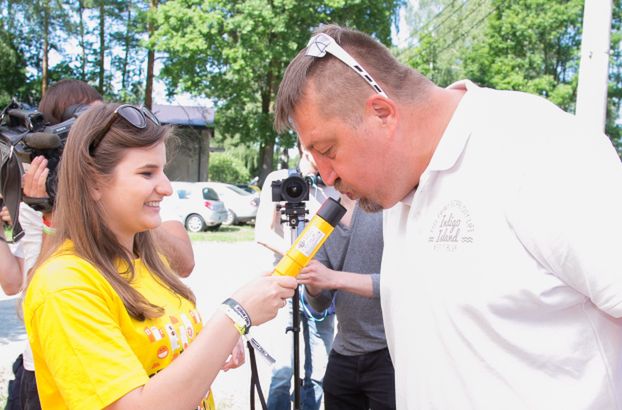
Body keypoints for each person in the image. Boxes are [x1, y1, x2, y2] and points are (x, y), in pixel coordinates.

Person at [274, 24, 622, 409]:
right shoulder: (399, 189)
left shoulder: (538, 148)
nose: (326, 177)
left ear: (382, 113)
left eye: (328, 149)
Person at [22, 102, 297, 409]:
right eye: (147, 173)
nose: (166, 187)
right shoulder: (65, 286)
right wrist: (235, 316)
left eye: (162, 170)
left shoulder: (151, 263)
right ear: (93, 182)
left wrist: (214, 342)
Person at [255, 150, 337, 410]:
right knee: (284, 368)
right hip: (284, 287)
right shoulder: (280, 180)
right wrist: (299, 258)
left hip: (320, 291)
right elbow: (262, 233)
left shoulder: (333, 186)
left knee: (319, 370)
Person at [297, 194, 395, 409]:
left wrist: (333, 278)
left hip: (389, 353)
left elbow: (399, 283)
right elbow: (319, 304)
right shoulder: (324, 219)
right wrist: (313, 281)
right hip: (343, 353)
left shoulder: (388, 206)